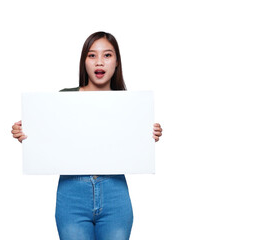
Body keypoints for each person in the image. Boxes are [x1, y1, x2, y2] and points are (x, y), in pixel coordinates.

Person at [11, 31, 163, 240]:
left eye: (107, 55)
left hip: (115, 194)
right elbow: (46, 139)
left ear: (117, 61)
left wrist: (148, 135)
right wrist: (25, 133)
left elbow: (134, 146)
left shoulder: (130, 105)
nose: (99, 62)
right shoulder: (64, 98)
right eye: (92, 55)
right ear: (84, 61)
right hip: (72, 195)